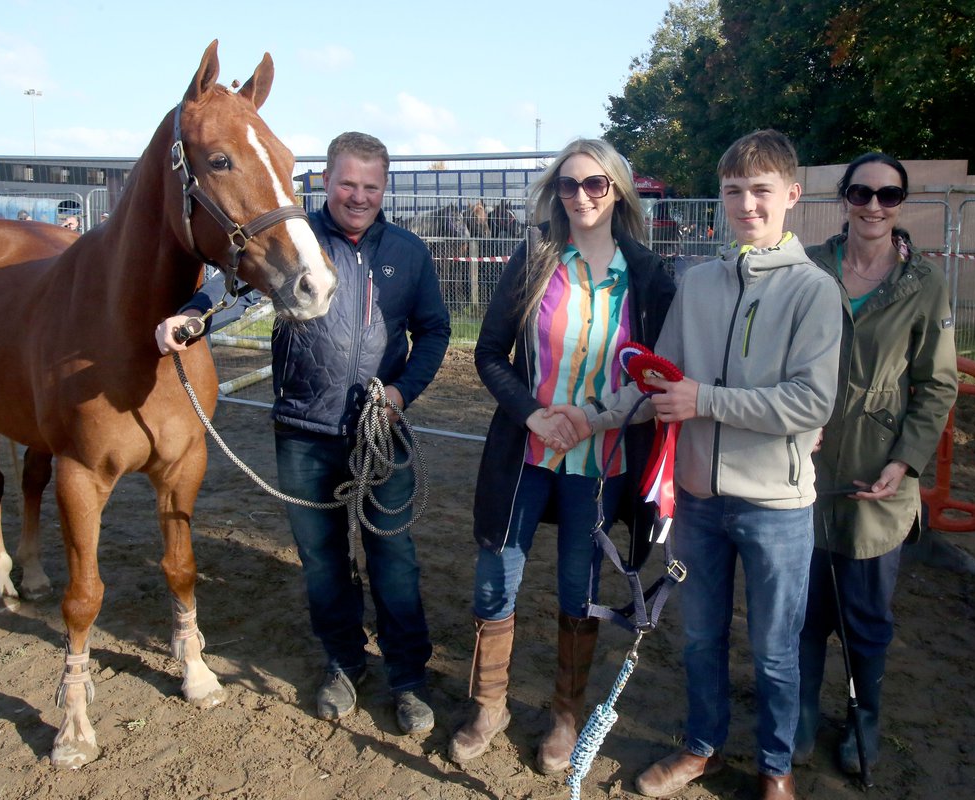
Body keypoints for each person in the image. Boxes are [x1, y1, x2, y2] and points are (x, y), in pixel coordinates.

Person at [154, 131, 450, 735]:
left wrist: (400, 392)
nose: (358, 196)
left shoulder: (410, 254)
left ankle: (407, 678)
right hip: (303, 430)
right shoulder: (294, 239)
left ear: (383, 187)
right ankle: (343, 664)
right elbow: (230, 285)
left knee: (394, 557)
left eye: (371, 186)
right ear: (325, 180)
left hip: (381, 432)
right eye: (347, 183)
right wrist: (191, 314)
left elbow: (436, 332)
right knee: (322, 561)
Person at [580, 129, 843, 800]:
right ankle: (702, 747)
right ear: (720, 199)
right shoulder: (697, 284)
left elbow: (810, 401)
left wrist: (706, 400)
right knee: (699, 639)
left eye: (760, 191)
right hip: (697, 498)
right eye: (733, 192)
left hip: (777, 506)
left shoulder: (814, 292)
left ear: (790, 195)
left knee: (775, 651)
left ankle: (775, 767)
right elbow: (656, 381)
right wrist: (593, 415)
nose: (746, 204)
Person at [449, 138, 676, 772]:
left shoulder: (651, 278)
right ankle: (489, 704)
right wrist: (531, 413)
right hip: (525, 456)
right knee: (497, 578)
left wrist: (592, 419)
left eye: (595, 184)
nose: (581, 196)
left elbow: (659, 376)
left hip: (600, 466)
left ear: (618, 192)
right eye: (568, 185)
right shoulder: (533, 261)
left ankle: (565, 715)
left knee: (578, 590)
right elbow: (489, 352)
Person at [794, 153, 958, 776]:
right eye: (861, 192)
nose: (872, 206)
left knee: (865, 616)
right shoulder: (807, 267)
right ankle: (802, 711)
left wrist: (906, 463)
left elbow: (937, 386)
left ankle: (865, 719)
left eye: (888, 196)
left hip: (876, 479)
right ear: (843, 197)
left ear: (901, 204)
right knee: (804, 609)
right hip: (802, 472)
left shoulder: (925, 285)